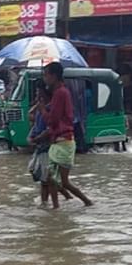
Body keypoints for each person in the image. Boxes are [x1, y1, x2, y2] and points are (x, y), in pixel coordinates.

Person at [38, 62, 93, 209]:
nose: (45, 78)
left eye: (46, 75)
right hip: (61, 141)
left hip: (63, 141)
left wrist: (42, 109)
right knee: (56, 180)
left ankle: (79, 203)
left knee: (58, 180)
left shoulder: (60, 93)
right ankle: (61, 206)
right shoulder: (61, 92)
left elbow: (52, 120)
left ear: (54, 76)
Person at [28, 81, 72, 206]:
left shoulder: (49, 108)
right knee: (42, 177)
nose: (36, 95)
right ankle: (46, 203)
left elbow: (51, 127)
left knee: (47, 179)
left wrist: (37, 139)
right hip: (40, 146)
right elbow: (30, 116)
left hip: (47, 145)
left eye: (38, 92)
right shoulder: (41, 108)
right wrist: (37, 106)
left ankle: (55, 203)